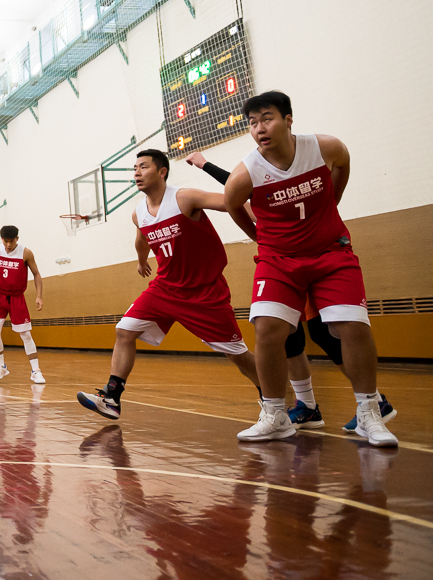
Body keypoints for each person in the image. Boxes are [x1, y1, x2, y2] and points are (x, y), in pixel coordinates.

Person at [224, 91, 397, 446]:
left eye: (267, 118)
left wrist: (331, 202)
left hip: (330, 252)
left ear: (289, 119)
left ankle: (369, 413)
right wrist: (260, 236)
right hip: (279, 259)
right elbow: (231, 203)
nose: (260, 128)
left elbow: (343, 164)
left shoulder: (325, 148)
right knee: (268, 327)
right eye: (253, 123)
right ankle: (275, 415)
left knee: (351, 324)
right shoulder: (247, 173)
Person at [186, 149, 397, 433]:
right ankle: (306, 405)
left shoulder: (294, 176)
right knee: (286, 336)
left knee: (324, 332)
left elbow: (234, 186)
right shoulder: (258, 190)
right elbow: (236, 188)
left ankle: (374, 401)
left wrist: (205, 164)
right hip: (281, 263)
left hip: (306, 259)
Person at [77, 149, 261, 421]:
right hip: (165, 288)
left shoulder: (184, 197)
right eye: (135, 168)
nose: (137, 173)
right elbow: (142, 239)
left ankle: (274, 396)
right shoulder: (138, 213)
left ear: (162, 172)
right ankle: (112, 398)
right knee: (124, 330)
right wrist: (141, 261)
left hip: (204, 292)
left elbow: (231, 201)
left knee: (238, 355)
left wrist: (269, 219)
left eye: (144, 167)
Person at [0, 225, 45, 383]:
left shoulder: (26, 252)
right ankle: (1, 366)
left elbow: (36, 274)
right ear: (1, 239)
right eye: (5, 241)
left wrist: (39, 296)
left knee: (25, 334)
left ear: (17, 239)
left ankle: (35, 371)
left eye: (11, 241)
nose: (8, 245)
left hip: (17, 297)